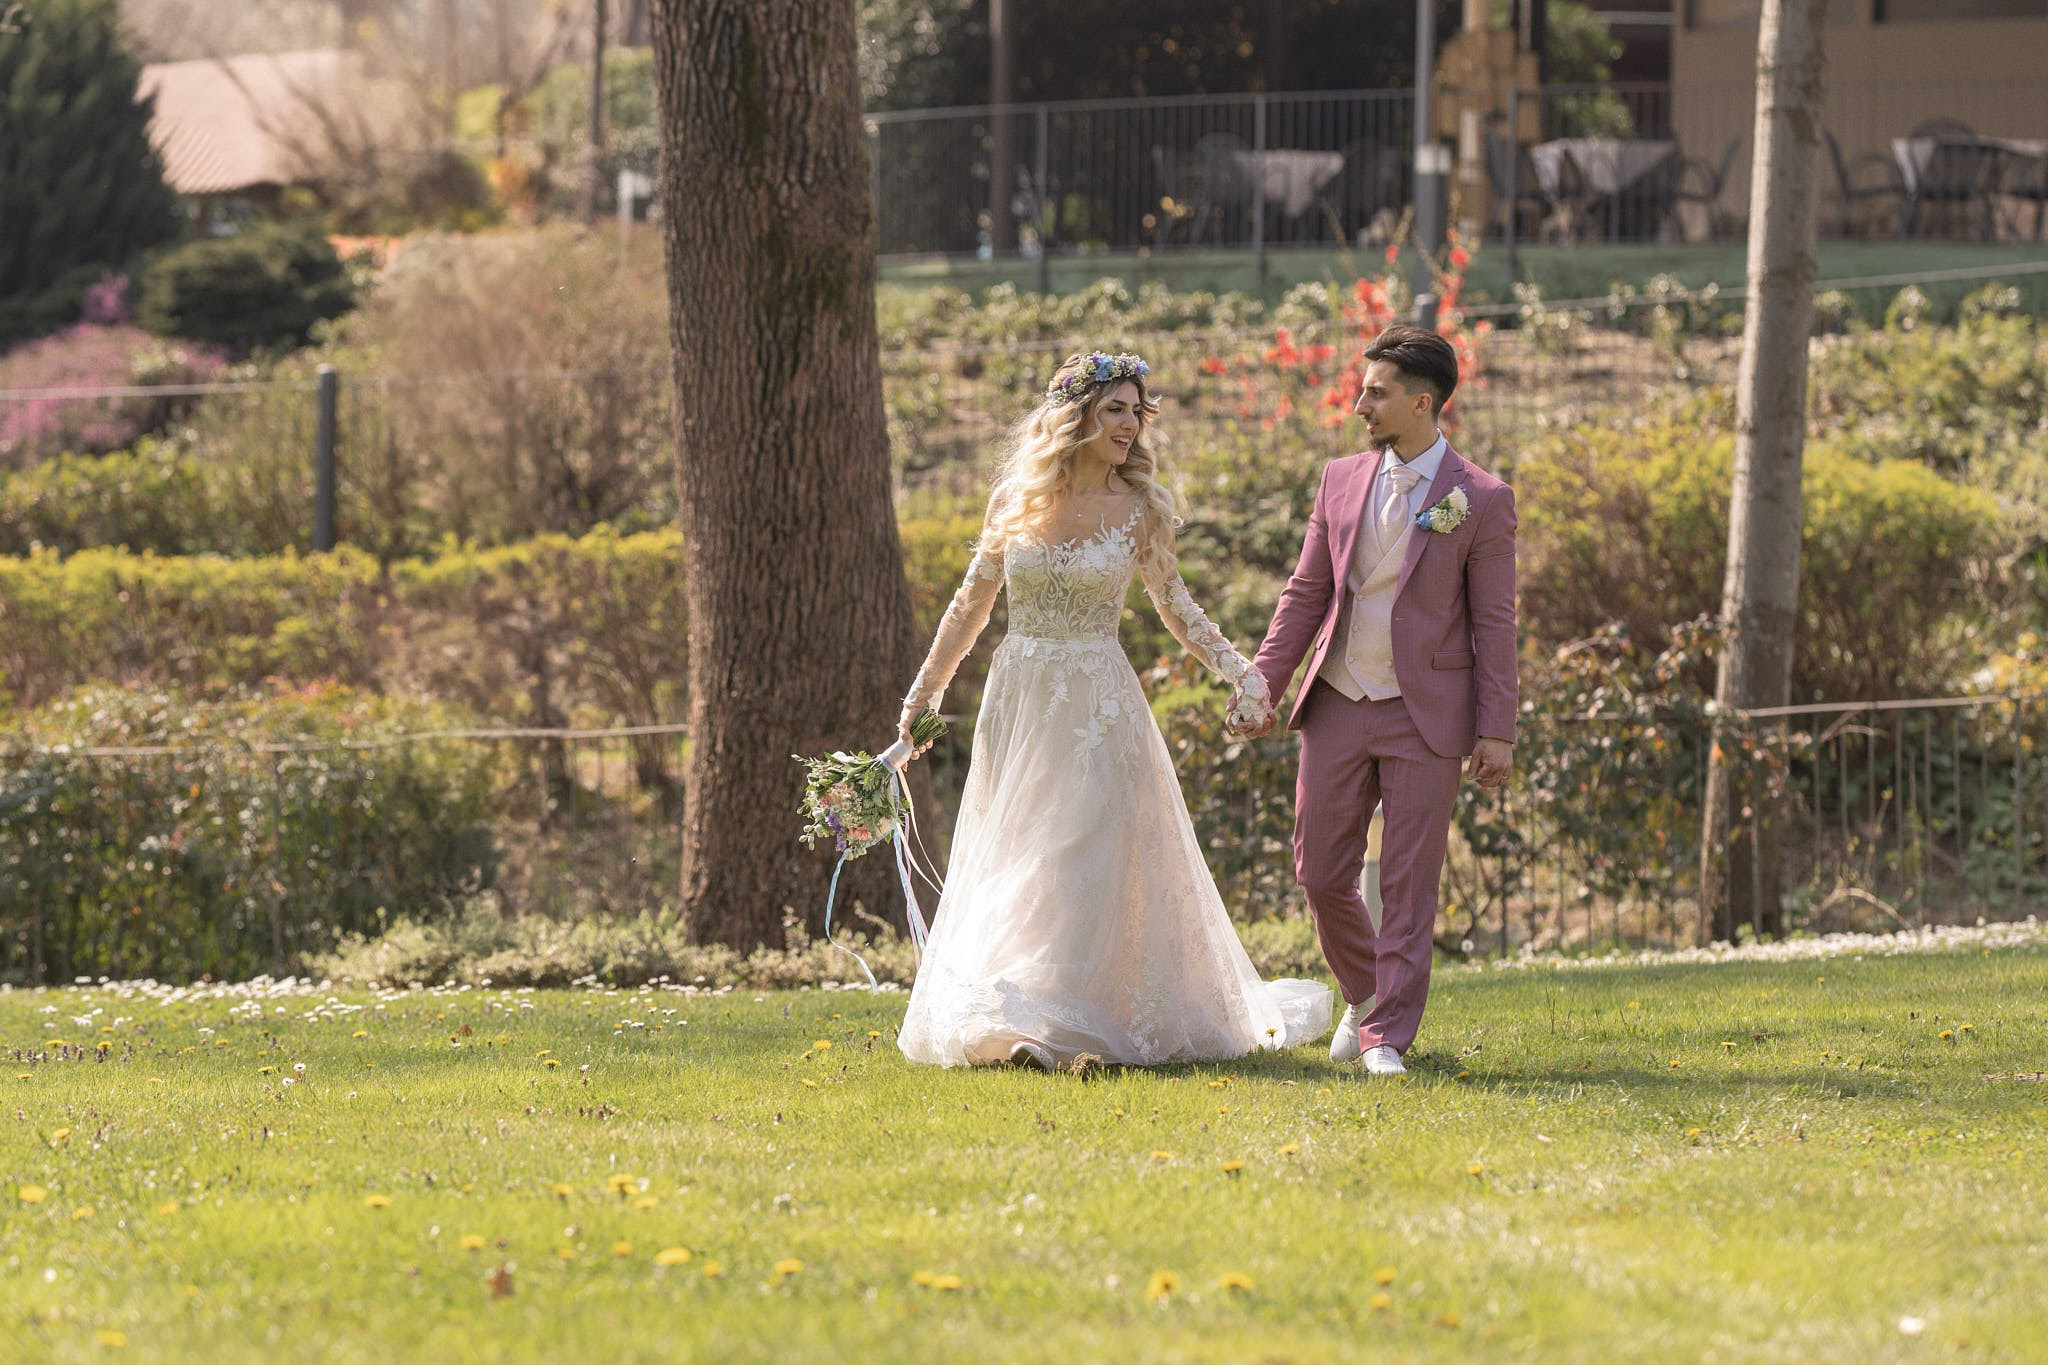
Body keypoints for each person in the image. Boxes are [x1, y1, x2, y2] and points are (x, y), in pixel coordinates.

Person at [895, 351, 1333, 1070]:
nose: (1132, 423)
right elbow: (970, 604)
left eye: (1138, 410)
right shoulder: (1014, 501)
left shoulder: (1140, 510)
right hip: (1023, 698)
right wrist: (924, 697)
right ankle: (1023, 1020)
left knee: (1081, 847)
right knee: (1027, 852)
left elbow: (1176, 608)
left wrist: (1244, 672)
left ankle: (1071, 1024)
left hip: (1100, 701)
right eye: (1117, 410)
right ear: (1077, 417)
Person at [1234, 325, 1518, 1077]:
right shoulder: (1338, 480)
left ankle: (1386, 1033)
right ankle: (1365, 992)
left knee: (1408, 880)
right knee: (1320, 872)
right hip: (1336, 700)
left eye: (1376, 391)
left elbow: (1494, 621)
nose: (1359, 403)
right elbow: (1305, 594)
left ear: (1422, 403)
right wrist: (1264, 679)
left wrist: (1498, 730)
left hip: (1425, 714)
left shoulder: (1482, 500)